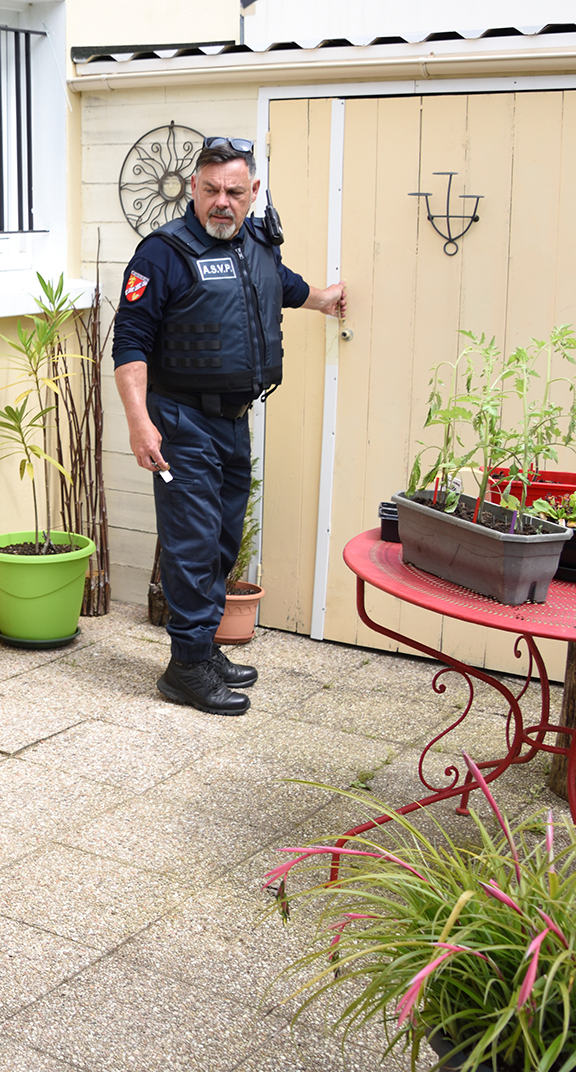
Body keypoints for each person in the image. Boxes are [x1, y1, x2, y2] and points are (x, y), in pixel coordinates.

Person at [111, 137, 346, 716]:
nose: (222, 201)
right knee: (192, 543)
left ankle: (201, 649)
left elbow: (287, 289)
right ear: (194, 189)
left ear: (253, 193)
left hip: (233, 421)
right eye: (211, 189)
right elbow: (130, 343)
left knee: (219, 541)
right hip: (178, 419)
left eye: (234, 191)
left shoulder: (256, 247)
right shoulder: (161, 254)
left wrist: (328, 299)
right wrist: (140, 424)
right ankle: (186, 670)